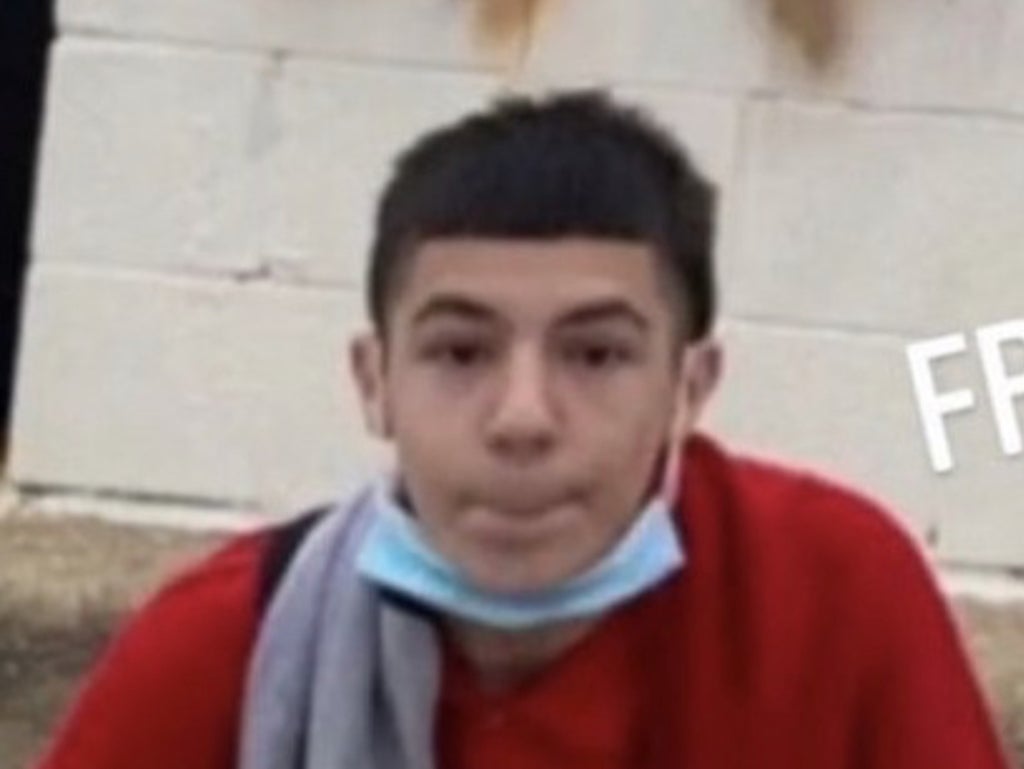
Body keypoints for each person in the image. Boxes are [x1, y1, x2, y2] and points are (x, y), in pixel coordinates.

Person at [34, 90, 1010, 769]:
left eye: (596, 355)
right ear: (374, 381)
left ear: (689, 388)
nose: (522, 419)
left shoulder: (831, 597)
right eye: (461, 352)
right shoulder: (231, 645)